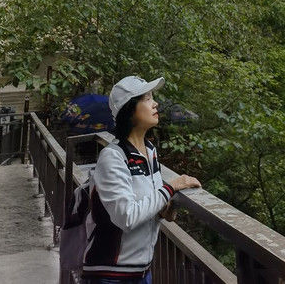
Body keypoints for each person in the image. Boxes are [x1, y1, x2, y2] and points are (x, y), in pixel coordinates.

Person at [81, 75, 201, 282]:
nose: (155, 103)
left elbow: (144, 201)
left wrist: (164, 210)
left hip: (142, 271)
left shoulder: (150, 151)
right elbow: (126, 216)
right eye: (146, 98)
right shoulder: (113, 157)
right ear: (129, 110)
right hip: (110, 274)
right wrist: (171, 187)